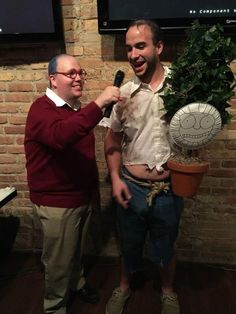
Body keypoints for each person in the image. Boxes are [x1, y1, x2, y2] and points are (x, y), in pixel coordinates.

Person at [24, 53, 121, 314]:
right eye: (71, 74)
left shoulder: (75, 109)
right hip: (57, 203)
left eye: (80, 73)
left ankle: (76, 283)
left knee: (76, 251)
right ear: (53, 79)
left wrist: (92, 195)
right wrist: (99, 103)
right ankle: (55, 307)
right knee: (58, 261)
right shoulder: (41, 109)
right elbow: (60, 136)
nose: (78, 78)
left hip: (82, 197)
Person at [101, 20, 183, 314]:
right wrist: (115, 178)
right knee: (129, 245)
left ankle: (168, 291)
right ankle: (123, 286)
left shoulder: (182, 86)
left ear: (158, 47)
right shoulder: (122, 94)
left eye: (140, 46)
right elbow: (111, 141)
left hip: (169, 190)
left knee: (166, 246)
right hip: (131, 188)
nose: (133, 54)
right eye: (129, 48)